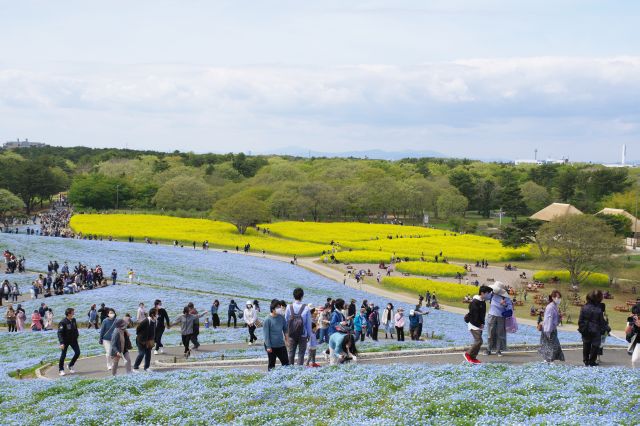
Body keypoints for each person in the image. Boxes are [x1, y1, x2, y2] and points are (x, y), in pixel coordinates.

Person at [464, 286, 493, 364]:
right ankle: (468, 354)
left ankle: (473, 358)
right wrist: (478, 324)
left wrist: (482, 323)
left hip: (479, 324)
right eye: (488, 293)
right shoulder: (475, 302)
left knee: (479, 341)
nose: (489, 295)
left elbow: (482, 314)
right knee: (479, 341)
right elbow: (474, 315)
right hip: (473, 324)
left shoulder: (483, 301)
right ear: (482, 293)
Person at [578, 290, 608, 367]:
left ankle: (585, 360)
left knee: (586, 344)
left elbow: (580, 319)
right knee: (595, 346)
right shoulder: (598, 309)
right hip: (595, 330)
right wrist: (606, 328)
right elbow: (601, 321)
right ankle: (592, 361)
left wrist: (581, 327)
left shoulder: (584, 307)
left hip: (585, 329)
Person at [284, 288, 313, 365]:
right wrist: (309, 335)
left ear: (293, 296)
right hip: (303, 334)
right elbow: (308, 323)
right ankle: (299, 370)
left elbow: (286, 321)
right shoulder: (306, 308)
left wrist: (286, 334)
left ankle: (290, 369)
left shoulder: (289, 307)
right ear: (302, 296)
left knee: (291, 353)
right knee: (301, 354)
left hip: (291, 334)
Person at [485, 281, 513, 357]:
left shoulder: (506, 298)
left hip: (501, 317)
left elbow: (510, 308)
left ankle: (498, 350)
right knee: (490, 333)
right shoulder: (492, 294)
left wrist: (505, 304)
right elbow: (484, 297)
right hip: (491, 315)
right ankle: (488, 349)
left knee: (500, 334)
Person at [539, 290, 565, 364]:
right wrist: (548, 331)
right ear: (553, 297)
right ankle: (549, 360)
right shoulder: (550, 307)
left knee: (550, 345)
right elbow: (548, 320)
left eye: (560, 297)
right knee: (552, 345)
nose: (559, 299)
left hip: (552, 329)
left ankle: (548, 360)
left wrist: (560, 316)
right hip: (548, 329)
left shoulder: (555, 306)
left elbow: (555, 320)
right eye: (558, 297)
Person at [263, 299, 289, 371]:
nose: (279, 309)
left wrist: (287, 340)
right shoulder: (267, 320)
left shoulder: (281, 317)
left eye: (279, 307)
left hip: (281, 344)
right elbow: (266, 335)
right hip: (271, 346)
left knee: (286, 363)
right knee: (272, 364)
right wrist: (268, 346)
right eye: (277, 307)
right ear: (272, 309)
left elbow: (285, 329)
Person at [57, 308, 80, 376]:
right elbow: (59, 333)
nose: (74, 313)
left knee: (77, 352)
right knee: (63, 355)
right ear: (69, 313)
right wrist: (61, 343)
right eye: (72, 312)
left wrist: (77, 335)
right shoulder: (63, 322)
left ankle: (70, 365)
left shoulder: (73, 320)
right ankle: (61, 369)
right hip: (65, 341)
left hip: (73, 340)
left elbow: (75, 328)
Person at [133, 308, 157, 372]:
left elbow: (154, 331)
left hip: (149, 341)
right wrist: (141, 335)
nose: (157, 315)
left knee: (148, 354)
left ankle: (146, 367)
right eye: (156, 313)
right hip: (141, 340)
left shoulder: (154, 321)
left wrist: (154, 339)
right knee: (141, 353)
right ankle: (135, 367)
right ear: (152, 314)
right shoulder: (146, 321)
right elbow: (138, 328)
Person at [625, 304, 640, 368]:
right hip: (637, 341)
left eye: (638, 315)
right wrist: (630, 324)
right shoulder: (632, 319)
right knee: (634, 360)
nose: (636, 316)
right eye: (634, 314)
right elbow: (627, 332)